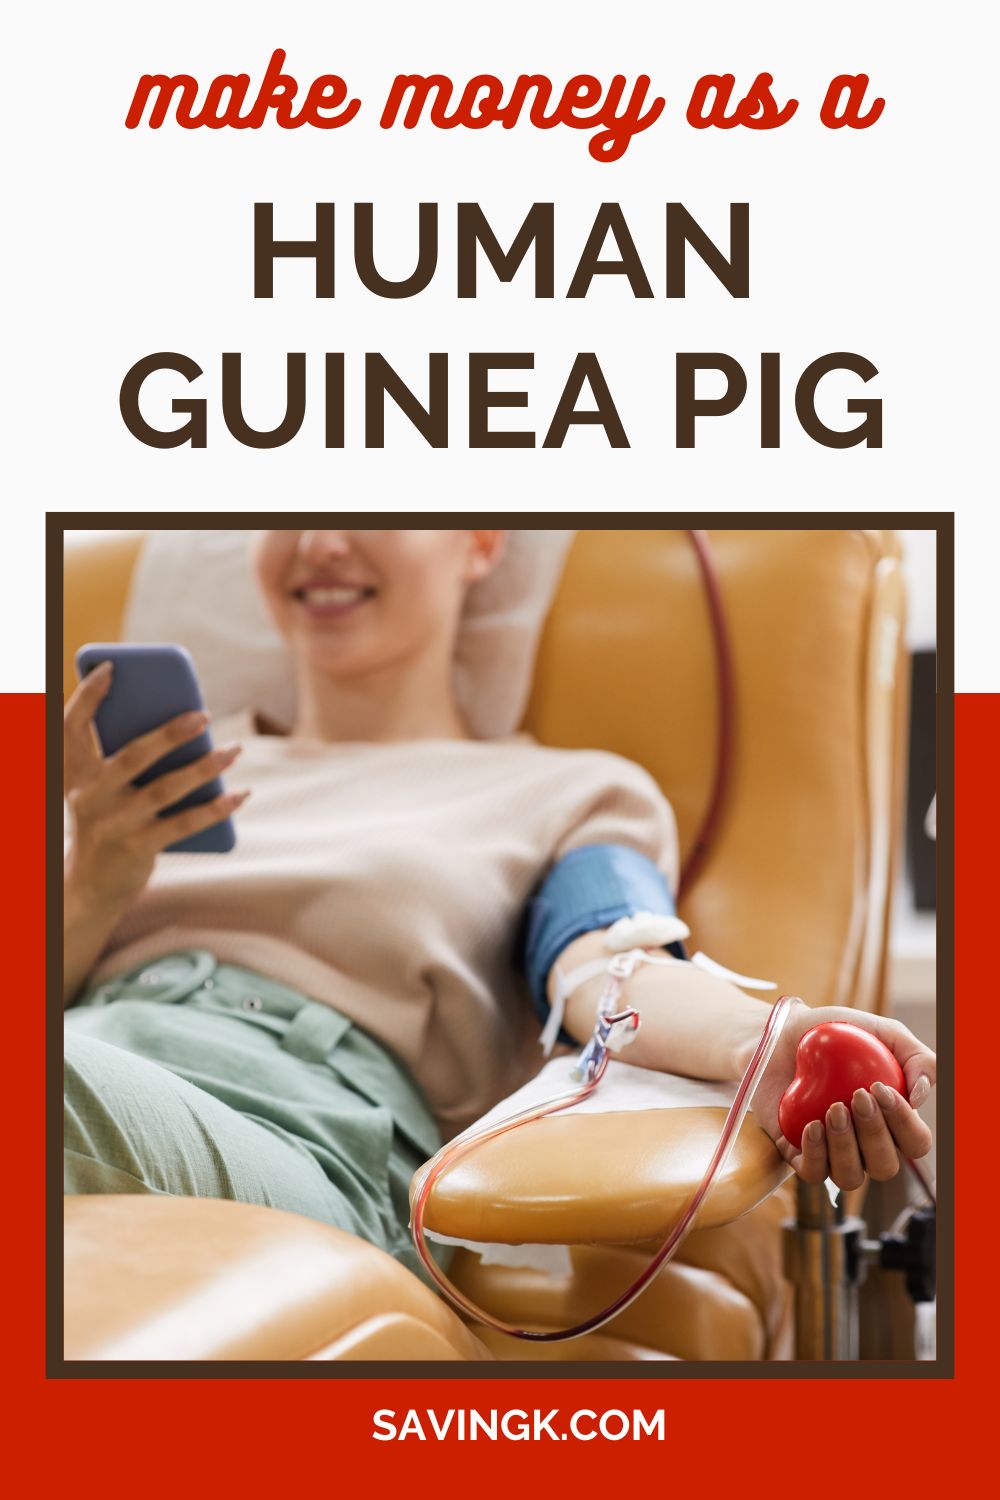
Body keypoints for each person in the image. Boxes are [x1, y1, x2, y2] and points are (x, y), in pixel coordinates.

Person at [63, 529, 936, 1292]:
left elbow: (609, 963)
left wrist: (763, 1044)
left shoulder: (566, 792)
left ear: (479, 542)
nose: (321, 541)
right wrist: (90, 878)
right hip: (91, 1049)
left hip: (299, 1130)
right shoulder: (141, 782)